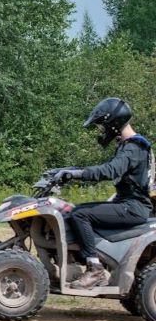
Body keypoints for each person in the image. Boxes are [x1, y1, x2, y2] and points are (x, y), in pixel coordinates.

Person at [55, 97, 153, 289]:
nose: (102, 130)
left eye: (103, 125)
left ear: (114, 124)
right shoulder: (129, 146)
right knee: (75, 210)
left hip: (133, 208)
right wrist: (69, 170)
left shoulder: (133, 147)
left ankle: (95, 269)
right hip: (126, 204)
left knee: (80, 215)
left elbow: (109, 171)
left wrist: (77, 174)